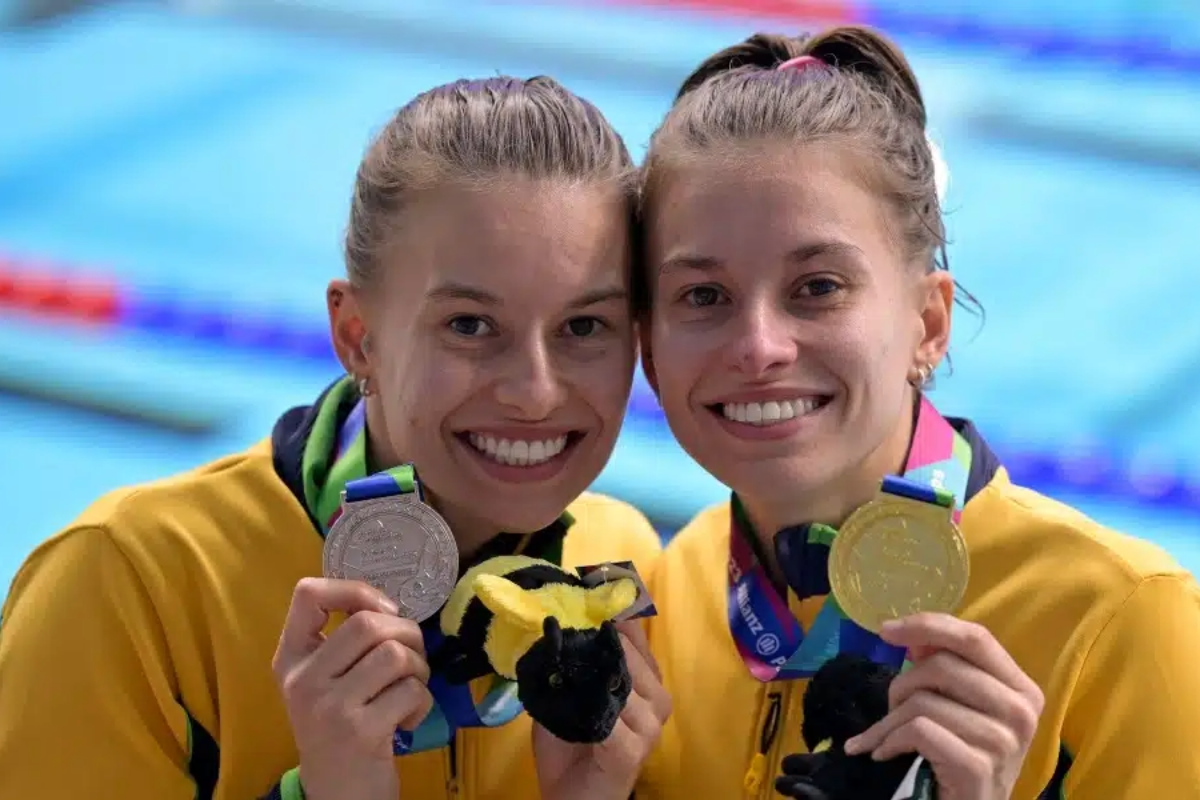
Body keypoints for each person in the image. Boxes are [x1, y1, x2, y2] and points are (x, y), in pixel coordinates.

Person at [0, 75, 670, 800]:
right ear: (358, 338)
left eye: (583, 327)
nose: (535, 392)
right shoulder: (130, 585)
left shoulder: (618, 567)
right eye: (470, 326)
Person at [633, 24, 1200, 800]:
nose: (759, 346)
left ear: (927, 325)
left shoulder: (1124, 622)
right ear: (650, 352)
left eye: (818, 287)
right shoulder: (678, 588)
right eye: (704, 296)